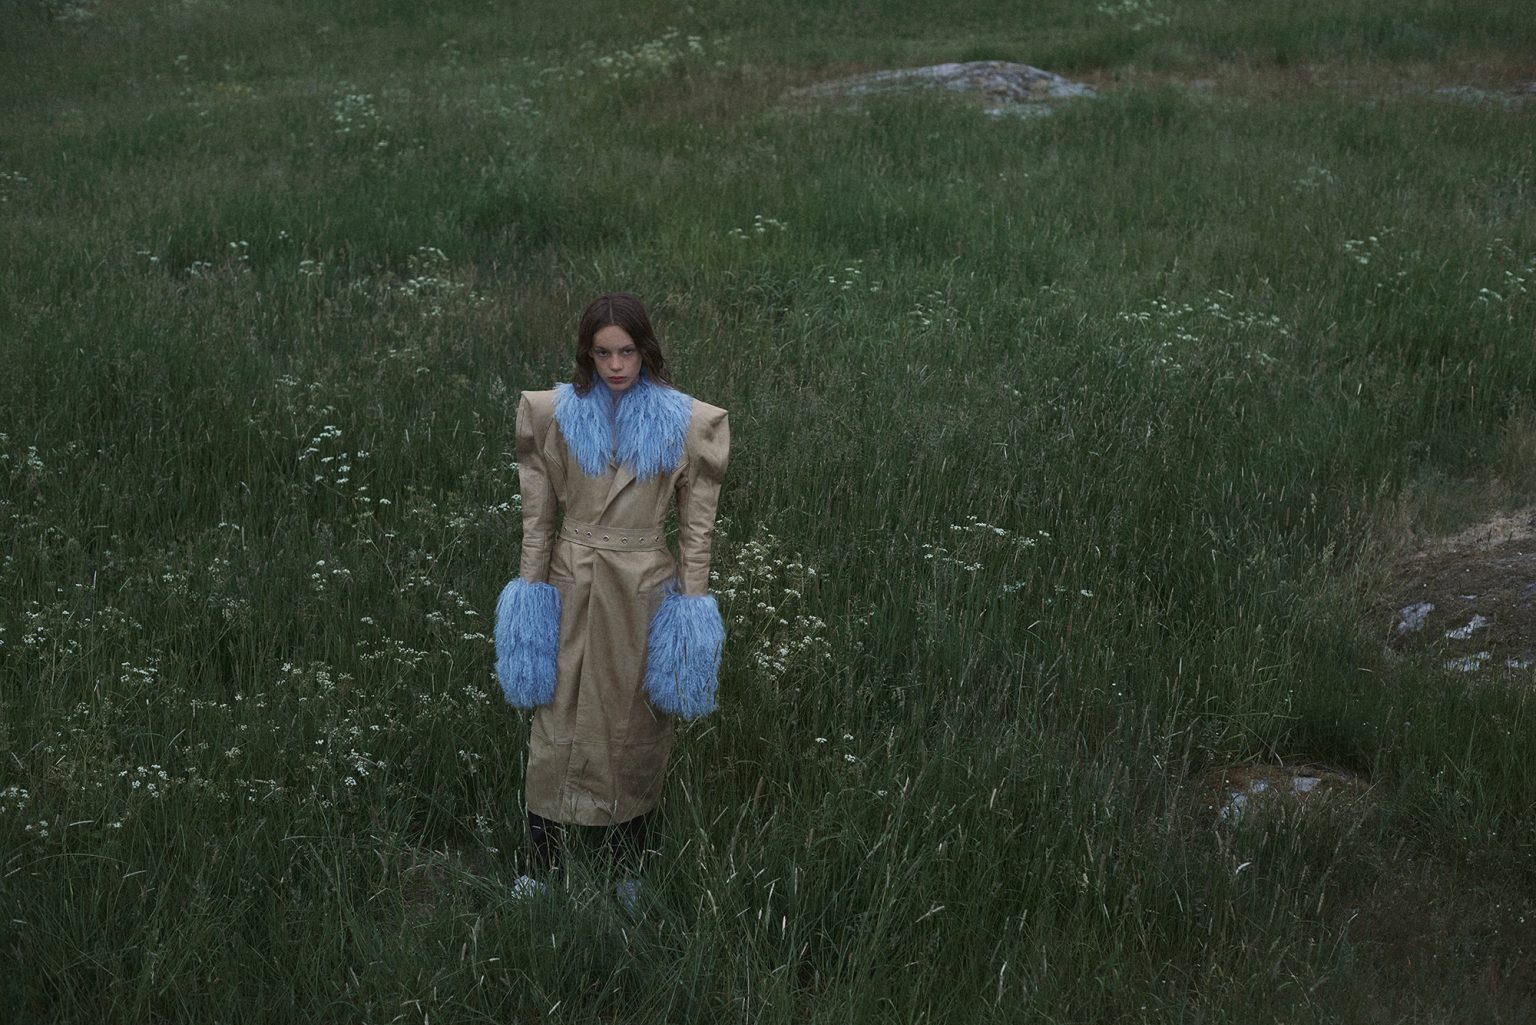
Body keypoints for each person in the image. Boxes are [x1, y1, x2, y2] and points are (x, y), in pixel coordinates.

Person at [493, 292, 730, 906]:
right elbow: (537, 521)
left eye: (627, 351)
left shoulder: (690, 423)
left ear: (645, 350)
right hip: (571, 578)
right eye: (603, 353)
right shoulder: (551, 414)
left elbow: (697, 530)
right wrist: (531, 593)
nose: (616, 365)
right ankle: (540, 862)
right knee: (558, 717)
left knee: (637, 722)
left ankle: (632, 863)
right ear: (587, 354)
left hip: (644, 586)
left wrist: (692, 609)